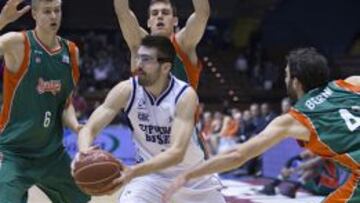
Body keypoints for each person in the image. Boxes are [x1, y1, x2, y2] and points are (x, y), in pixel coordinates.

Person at [163, 47, 360, 203]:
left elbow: (238, 155)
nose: (284, 79)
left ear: (296, 82)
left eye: (286, 75)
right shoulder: (351, 83)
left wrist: (189, 174)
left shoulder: (295, 119)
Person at [75, 35, 225, 203]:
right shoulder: (126, 90)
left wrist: (133, 171)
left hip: (194, 179)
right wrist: (85, 152)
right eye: (139, 58)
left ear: (165, 67)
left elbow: (176, 153)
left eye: (146, 60)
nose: (138, 65)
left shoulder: (184, 96)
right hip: (150, 178)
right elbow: (89, 128)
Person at [0, 0, 90, 202]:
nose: (53, 16)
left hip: (51, 155)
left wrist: (76, 126)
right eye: (47, 11)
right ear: (34, 14)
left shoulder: (71, 52)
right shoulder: (16, 43)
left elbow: (65, 103)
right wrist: (2, 20)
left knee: (81, 198)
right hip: (14, 153)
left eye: (57, 11)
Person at [113, 0, 210, 89]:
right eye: (155, 13)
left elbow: (202, 13)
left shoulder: (183, 44)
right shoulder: (140, 45)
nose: (159, 16)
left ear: (175, 21)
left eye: (165, 13)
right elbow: (122, 12)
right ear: (149, 23)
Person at [259, 150, 341, 198]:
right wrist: (286, 167)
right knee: (296, 163)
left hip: (329, 186)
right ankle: (274, 184)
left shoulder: (327, 152)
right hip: (316, 183)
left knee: (312, 168)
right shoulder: (314, 149)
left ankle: (293, 189)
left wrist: (291, 170)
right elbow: (295, 158)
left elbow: (311, 164)